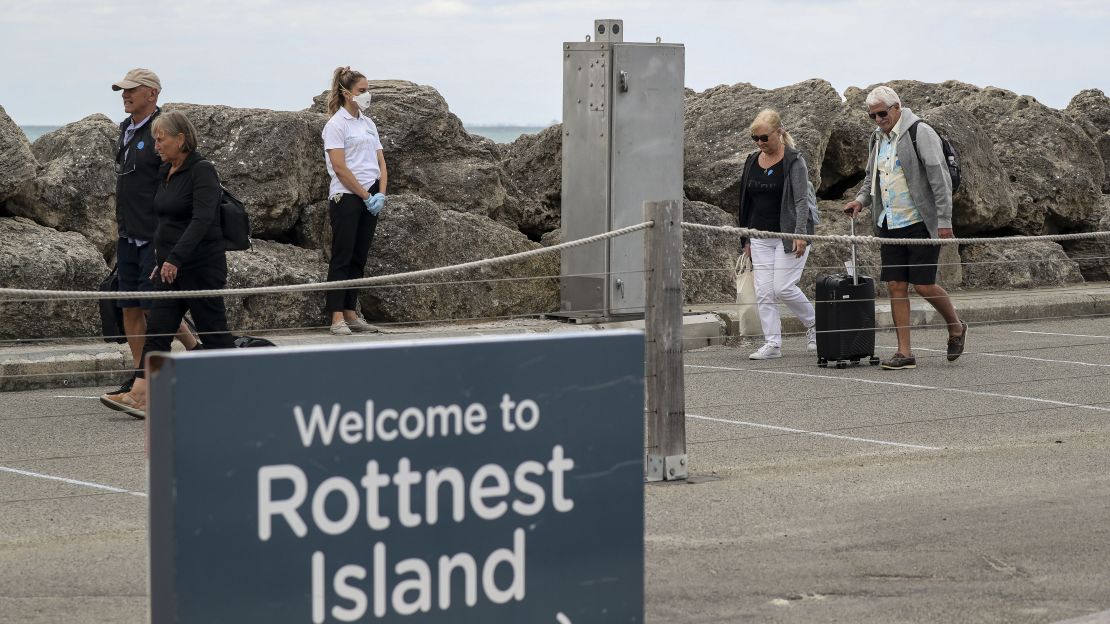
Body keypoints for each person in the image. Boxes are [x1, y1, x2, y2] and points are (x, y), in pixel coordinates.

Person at [100, 111, 235, 418]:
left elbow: (202, 221)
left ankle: (236, 388)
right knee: (158, 331)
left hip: (201, 266)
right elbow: (164, 222)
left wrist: (175, 258)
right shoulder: (167, 171)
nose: (156, 144)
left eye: (161, 139)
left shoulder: (202, 171)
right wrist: (160, 260)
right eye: (155, 139)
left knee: (214, 333)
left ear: (181, 139)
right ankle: (140, 396)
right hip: (169, 268)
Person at [843, 86, 967, 370]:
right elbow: (870, 177)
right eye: (872, 115)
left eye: (882, 113)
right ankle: (904, 353)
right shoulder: (877, 138)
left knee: (923, 284)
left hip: (920, 221)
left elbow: (940, 178)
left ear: (897, 107)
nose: (877, 120)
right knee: (896, 285)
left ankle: (956, 325)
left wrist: (944, 222)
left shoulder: (919, 132)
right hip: (889, 222)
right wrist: (860, 201)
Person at [101, 68, 196, 407]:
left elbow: (173, 178)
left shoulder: (162, 130)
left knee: (155, 306)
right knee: (129, 304)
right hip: (128, 231)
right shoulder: (126, 129)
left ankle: (156, 375)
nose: (125, 95)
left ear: (152, 94)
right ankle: (142, 375)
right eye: (122, 91)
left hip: (153, 233)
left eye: (132, 90)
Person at [737, 109, 818, 360]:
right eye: (755, 139)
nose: (760, 143)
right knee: (764, 291)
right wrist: (746, 239)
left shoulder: (794, 160)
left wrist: (800, 234)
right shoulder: (752, 160)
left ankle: (816, 325)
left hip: (789, 234)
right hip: (759, 234)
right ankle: (772, 343)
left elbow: (802, 200)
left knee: (782, 287)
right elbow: (746, 201)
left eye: (764, 138)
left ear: (779, 133)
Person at [322, 66, 389, 335]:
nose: (367, 95)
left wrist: (380, 193)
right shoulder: (336, 125)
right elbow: (339, 167)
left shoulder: (368, 123)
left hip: (372, 194)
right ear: (347, 93)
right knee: (343, 255)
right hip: (348, 195)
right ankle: (336, 315)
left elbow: (381, 162)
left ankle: (351, 311)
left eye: (367, 90)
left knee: (359, 257)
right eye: (362, 91)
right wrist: (364, 194)